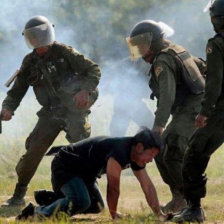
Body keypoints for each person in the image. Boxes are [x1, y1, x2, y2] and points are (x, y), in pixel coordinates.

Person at [1, 15, 101, 207]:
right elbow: (16, 91)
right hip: (50, 113)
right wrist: (7, 108)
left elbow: (93, 70)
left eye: (38, 35)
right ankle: (18, 194)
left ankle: (93, 197)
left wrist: (84, 90)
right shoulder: (29, 62)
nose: (35, 40)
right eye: (31, 36)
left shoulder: (65, 52)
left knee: (82, 152)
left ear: (48, 34)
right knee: (33, 151)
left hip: (74, 111)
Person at [126, 20, 206, 213]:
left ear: (153, 42)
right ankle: (180, 198)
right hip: (192, 105)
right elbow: (202, 67)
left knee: (171, 147)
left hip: (194, 106)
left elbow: (167, 95)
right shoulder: (175, 49)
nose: (141, 51)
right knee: (161, 149)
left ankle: (190, 202)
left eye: (143, 46)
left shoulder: (162, 60)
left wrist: (158, 126)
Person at [17, 128, 170, 221]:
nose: (151, 160)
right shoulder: (120, 150)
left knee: (96, 207)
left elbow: (148, 187)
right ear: (139, 147)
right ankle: (34, 212)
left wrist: (159, 214)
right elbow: (113, 187)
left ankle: (53, 200)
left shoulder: (136, 156)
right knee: (81, 201)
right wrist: (114, 214)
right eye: (151, 154)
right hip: (66, 166)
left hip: (85, 173)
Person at [172, 0, 224, 222]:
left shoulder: (217, 44)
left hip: (221, 112)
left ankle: (194, 208)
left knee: (193, 154)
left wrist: (204, 112)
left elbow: (214, 83)